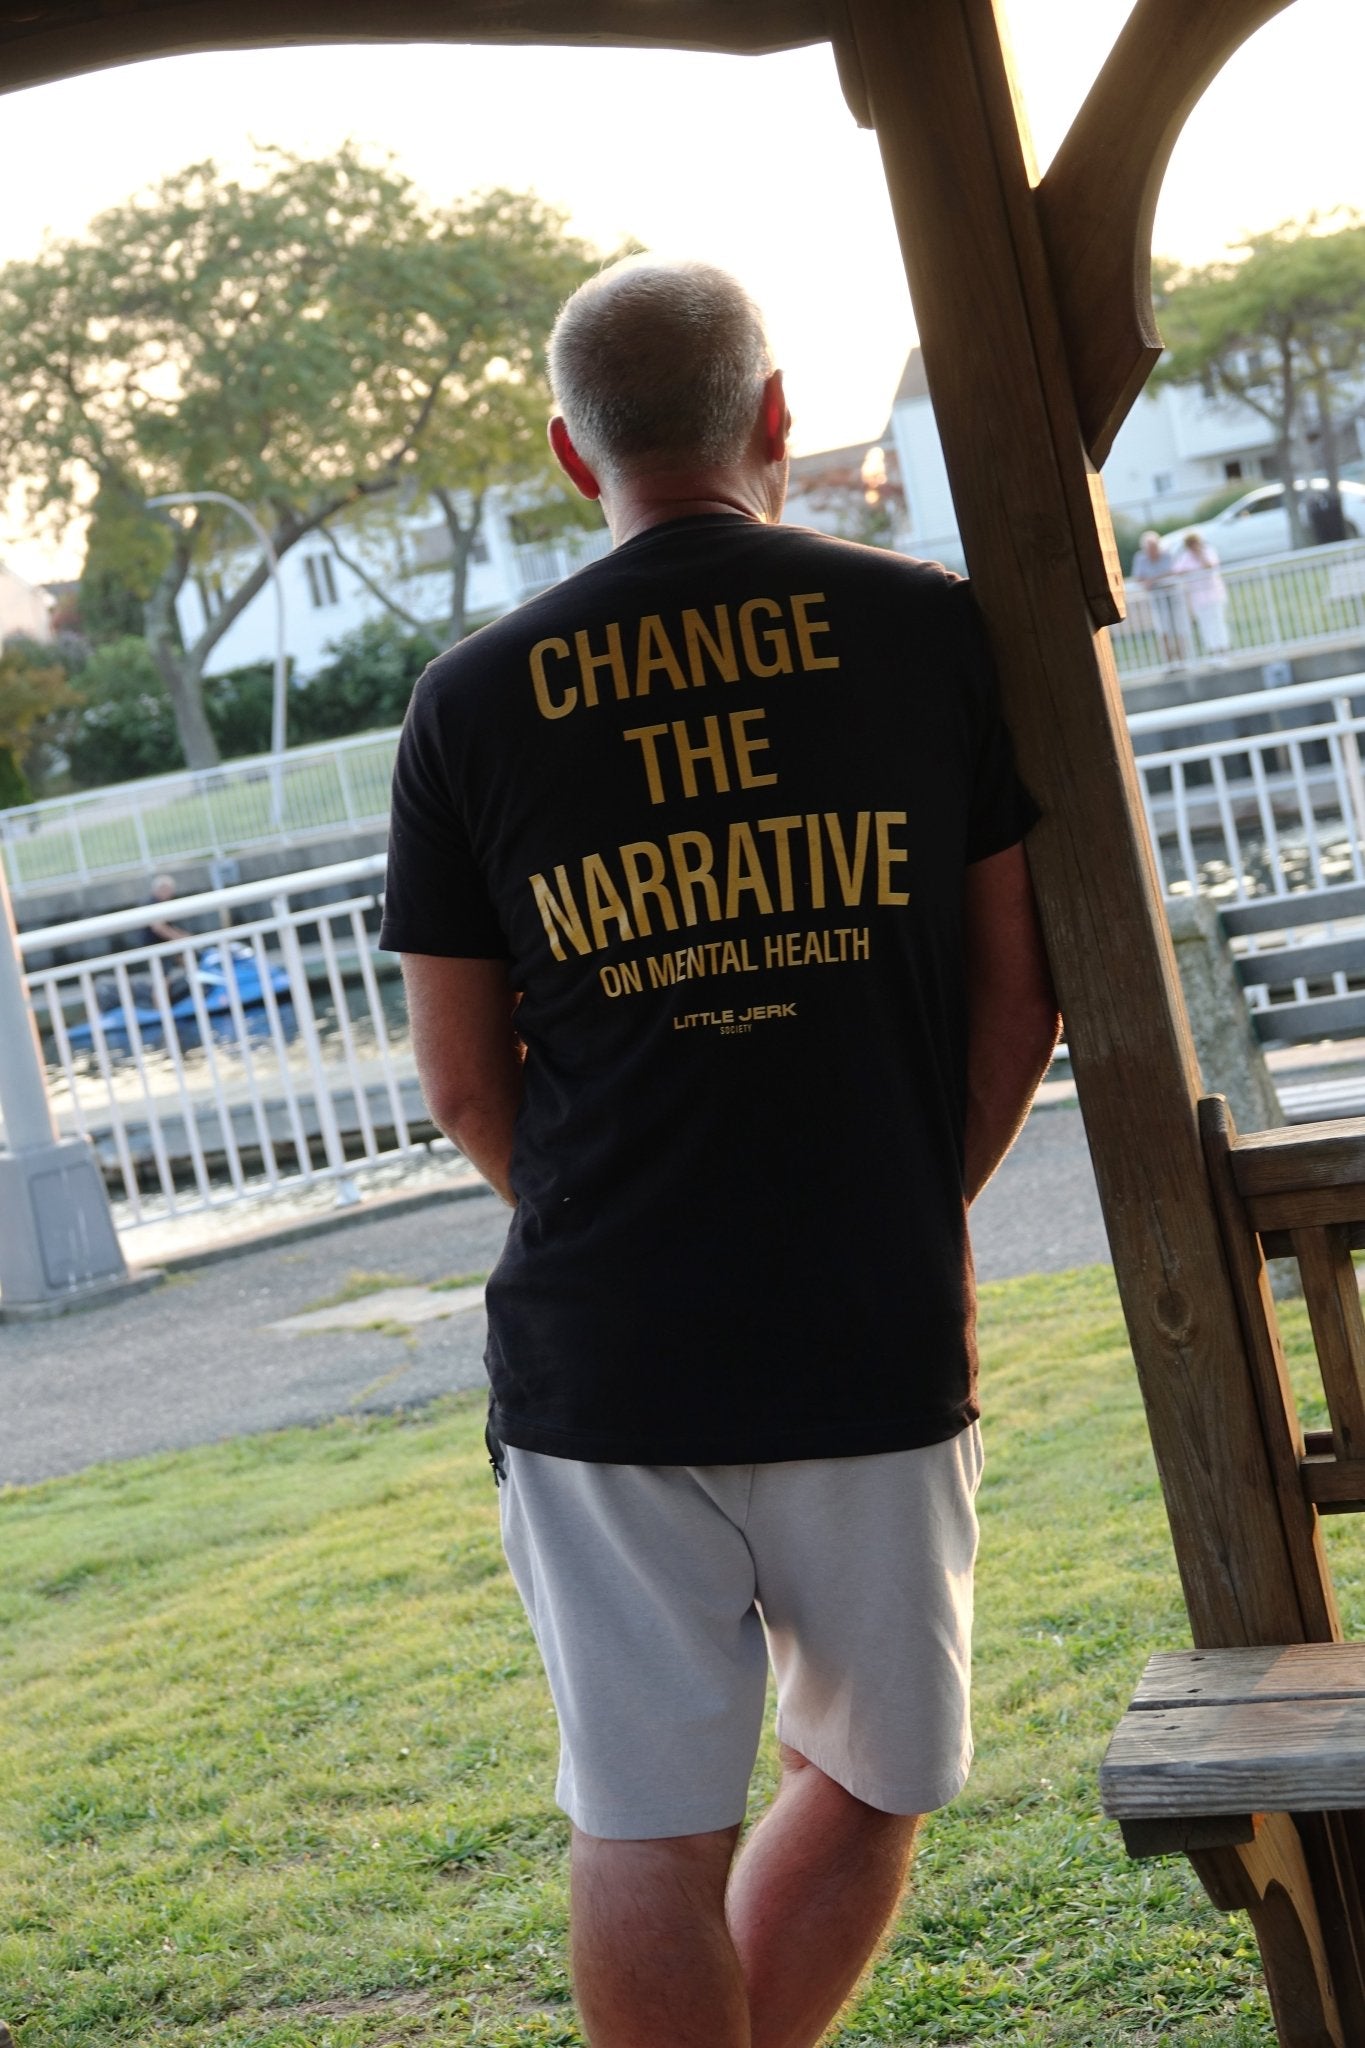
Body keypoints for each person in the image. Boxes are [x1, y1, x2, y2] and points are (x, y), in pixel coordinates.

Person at [380, 259, 1060, 2048]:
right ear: (774, 419)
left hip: (602, 1351)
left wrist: (628, 1227)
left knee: (644, 1818)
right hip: (869, 1315)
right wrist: (904, 1206)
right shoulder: (926, 631)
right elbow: (1020, 991)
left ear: (564, 451)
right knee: (879, 1766)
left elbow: (462, 1081)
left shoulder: (468, 699)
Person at [1171, 528, 1231, 658]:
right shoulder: (1185, 556)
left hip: (1214, 594)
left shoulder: (1208, 551)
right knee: (1205, 625)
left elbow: (1210, 565)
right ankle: (1213, 651)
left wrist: (1200, 555)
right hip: (1198, 597)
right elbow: (1177, 571)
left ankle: (1223, 650)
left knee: (1217, 622)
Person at [1129, 528, 1181, 665]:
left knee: (1177, 627)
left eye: (1154, 546)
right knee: (1163, 629)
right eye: (1149, 548)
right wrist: (1150, 581)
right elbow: (1138, 578)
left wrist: (1152, 580)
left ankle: (1181, 659)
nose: (1152, 550)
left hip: (1172, 596)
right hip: (1156, 599)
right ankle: (1169, 661)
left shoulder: (1167, 555)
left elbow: (1172, 572)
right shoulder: (1140, 558)